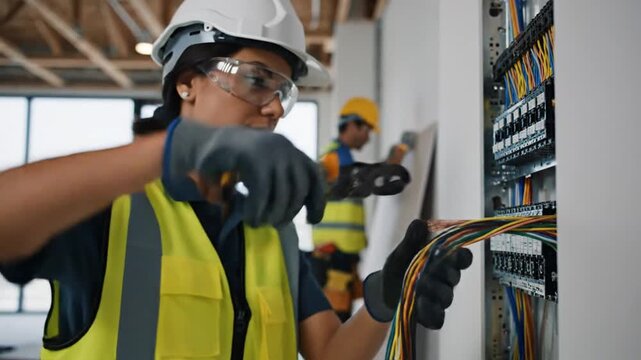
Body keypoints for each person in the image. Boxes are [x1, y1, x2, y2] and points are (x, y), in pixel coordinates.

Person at [0, 1, 472, 359]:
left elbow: (329, 352)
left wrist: (384, 298)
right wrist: (178, 148)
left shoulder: (271, 231)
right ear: (187, 81)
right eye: (257, 79)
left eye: (284, 91)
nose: (273, 108)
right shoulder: (113, 207)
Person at [311, 97, 411, 321]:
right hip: (334, 256)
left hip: (340, 255)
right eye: (367, 130)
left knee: (339, 315)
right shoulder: (335, 157)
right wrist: (393, 162)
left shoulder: (340, 158)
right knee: (336, 319)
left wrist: (391, 161)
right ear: (354, 125)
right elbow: (360, 179)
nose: (368, 137)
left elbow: (363, 180)